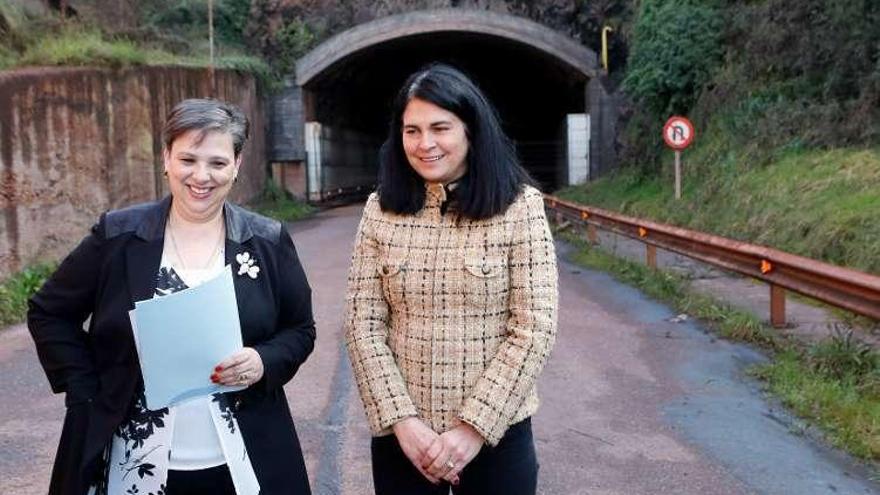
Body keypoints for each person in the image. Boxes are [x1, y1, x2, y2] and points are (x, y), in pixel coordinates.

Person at [28, 98, 315, 495]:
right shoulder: (119, 236)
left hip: (242, 456)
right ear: (166, 158)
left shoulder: (266, 240)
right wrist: (85, 389)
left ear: (237, 164)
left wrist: (262, 361)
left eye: (217, 162)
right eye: (188, 160)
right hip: (132, 458)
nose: (202, 176)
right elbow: (49, 311)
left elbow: (300, 329)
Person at [344, 63, 558, 495]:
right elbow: (362, 325)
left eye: (440, 128)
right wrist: (403, 423)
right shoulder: (380, 210)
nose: (425, 144)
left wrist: (472, 429)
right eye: (412, 131)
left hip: (498, 437)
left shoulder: (520, 208)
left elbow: (533, 328)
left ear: (470, 130)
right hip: (403, 440)